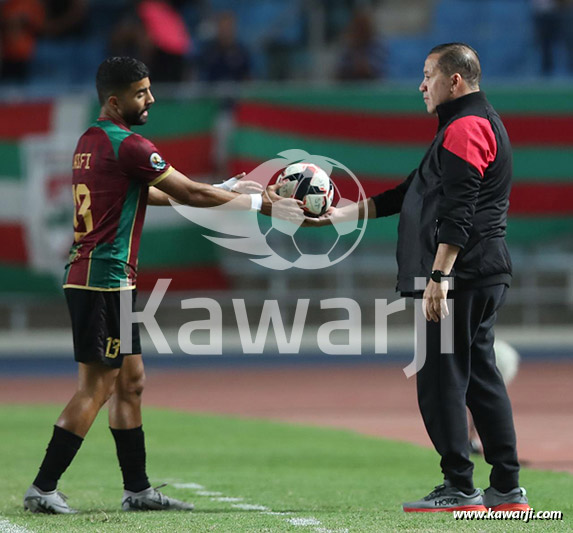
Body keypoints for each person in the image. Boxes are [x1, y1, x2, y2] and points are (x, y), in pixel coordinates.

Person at [23, 56, 301, 514]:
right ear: (115, 101)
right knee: (97, 387)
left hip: (102, 279)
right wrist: (255, 206)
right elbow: (187, 193)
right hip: (103, 280)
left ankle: (138, 491)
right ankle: (43, 487)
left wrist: (228, 187)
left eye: (150, 89)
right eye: (140, 93)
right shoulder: (130, 145)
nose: (151, 98)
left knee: (130, 382)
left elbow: (150, 191)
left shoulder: (91, 142)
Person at [310, 43, 530, 513]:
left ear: (455, 81)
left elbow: (459, 211)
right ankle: (507, 489)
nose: (420, 85)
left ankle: (460, 486)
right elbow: (411, 191)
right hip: (478, 272)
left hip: (462, 275)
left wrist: (439, 276)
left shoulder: (466, 127)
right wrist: (345, 214)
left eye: (427, 75)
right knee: (480, 379)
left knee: (441, 381)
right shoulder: (465, 125)